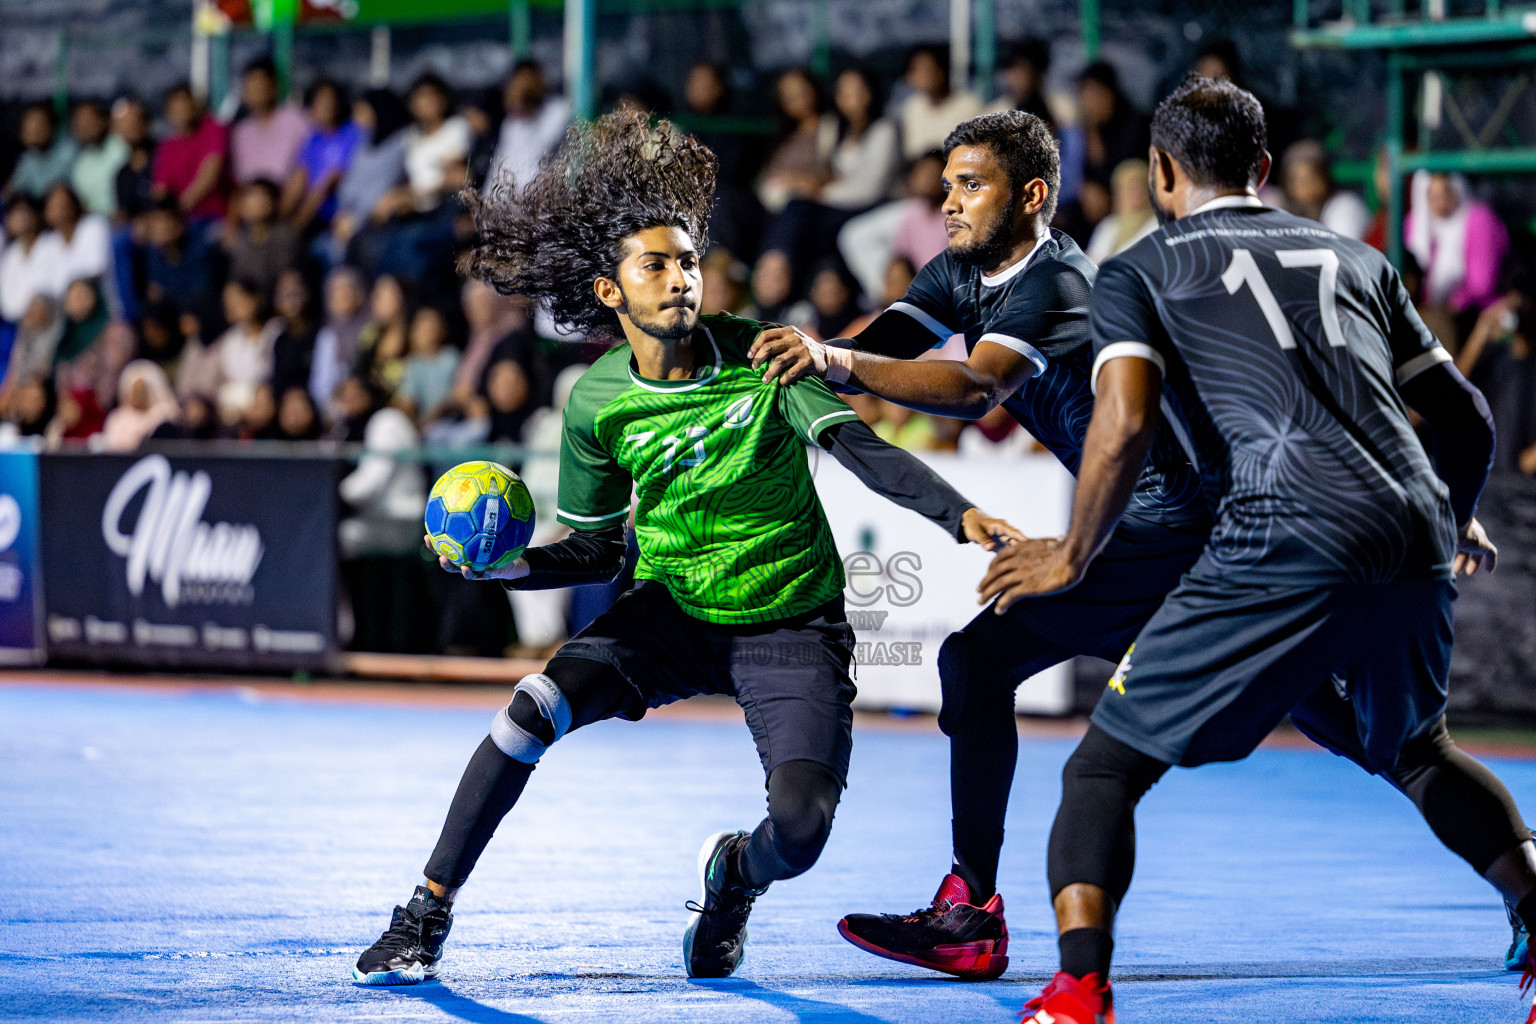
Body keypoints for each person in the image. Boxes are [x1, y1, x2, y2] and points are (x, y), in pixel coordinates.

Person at [350, 108, 1024, 987]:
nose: (681, 279)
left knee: (803, 831)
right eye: (655, 265)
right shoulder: (597, 404)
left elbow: (863, 450)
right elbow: (595, 550)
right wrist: (511, 566)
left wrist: (959, 515)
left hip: (792, 622)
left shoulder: (761, 357)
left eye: (690, 261)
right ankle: (424, 912)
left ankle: (733, 878)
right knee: (527, 711)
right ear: (609, 291)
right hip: (671, 614)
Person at [972, 76, 1536, 1024]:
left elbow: (1124, 423)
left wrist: (1072, 553)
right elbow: (1468, 417)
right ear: (1265, 171)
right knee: (1420, 749)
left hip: (1279, 531)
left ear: (1158, 171)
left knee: (1104, 768)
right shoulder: (1357, 259)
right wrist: (1448, 510)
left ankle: (1076, 993)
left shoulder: (1143, 269)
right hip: (1409, 533)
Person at [750, 110, 1208, 981]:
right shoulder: (959, 270)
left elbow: (972, 387)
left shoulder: (1059, 283)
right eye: (948, 183)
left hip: (1171, 529)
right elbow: (887, 340)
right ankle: (971, 910)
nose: (949, 201)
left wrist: (833, 362)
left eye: (972, 185)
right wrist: (795, 362)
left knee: (977, 661)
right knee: (1331, 709)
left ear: (1032, 195)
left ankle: (970, 913)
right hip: (1137, 534)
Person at [1406, 170, 1510, 317]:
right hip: (1430, 315)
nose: (1440, 201)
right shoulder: (1415, 225)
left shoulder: (1479, 220)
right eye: (1433, 195)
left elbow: (1482, 286)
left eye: (1446, 192)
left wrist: (1447, 308)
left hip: (1477, 315)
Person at [285, 79, 361, 231]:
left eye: (331, 100)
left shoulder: (354, 133)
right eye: (320, 102)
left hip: (346, 214)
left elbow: (334, 179)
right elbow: (300, 177)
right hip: (316, 216)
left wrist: (300, 220)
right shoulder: (312, 141)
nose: (327, 106)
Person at [490, 60, 572, 192]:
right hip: (509, 202)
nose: (521, 90)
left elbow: (540, 151)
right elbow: (498, 171)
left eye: (527, 84)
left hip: (542, 198)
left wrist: (527, 102)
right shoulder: (510, 124)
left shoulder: (559, 110)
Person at [229, 57, 311, 188]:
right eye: (250, 85)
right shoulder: (241, 131)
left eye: (259, 84)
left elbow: (310, 165)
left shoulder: (296, 120)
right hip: (252, 202)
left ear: (273, 86)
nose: (255, 90)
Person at [152, 84, 229, 222]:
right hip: (178, 218)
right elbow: (161, 188)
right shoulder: (168, 146)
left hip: (211, 214)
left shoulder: (213, 129)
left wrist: (180, 209)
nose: (182, 110)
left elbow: (210, 174)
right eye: (176, 108)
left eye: (185, 104)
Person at [898, 45, 984, 162]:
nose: (920, 76)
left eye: (926, 69)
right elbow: (912, 155)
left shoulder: (968, 105)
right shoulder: (913, 107)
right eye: (915, 70)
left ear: (941, 71)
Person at [1276, 139, 1370, 240]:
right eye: (1296, 180)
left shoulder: (1345, 207)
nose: (1304, 187)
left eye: (1310, 178)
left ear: (1324, 177)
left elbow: (1339, 253)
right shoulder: (1288, 211)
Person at [222, 180, 300, 296]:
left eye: (260, 198)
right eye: (249, 198)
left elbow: (277, 273)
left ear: (272, 203)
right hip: (240, 294)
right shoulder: (241, 232)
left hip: (268, 296)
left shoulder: (284, 234)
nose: (254, 203)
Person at [1084, 158, 1156, 263]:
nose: (1135, 194)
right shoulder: (1108, 224)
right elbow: (1091, 261)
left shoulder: (1158, 226)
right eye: (1129, 188)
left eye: (1139, 186)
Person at [100, 359, 179, 451]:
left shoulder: (166, 421)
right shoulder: (117, 420)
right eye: (135, 389)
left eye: (143, 389)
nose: (139, 394)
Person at [68, 99, 129, 218]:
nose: (83, 127)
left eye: (88, 121)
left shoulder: (123, 147)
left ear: (104, 120)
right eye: (79, 123)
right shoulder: (81, 163)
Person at [6, 103, 76, 201]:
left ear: (53, 127)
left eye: (39, 124)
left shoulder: (68, 152)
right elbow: (11, 190)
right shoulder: (26, 159)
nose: (34, 130)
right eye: (29, 126)